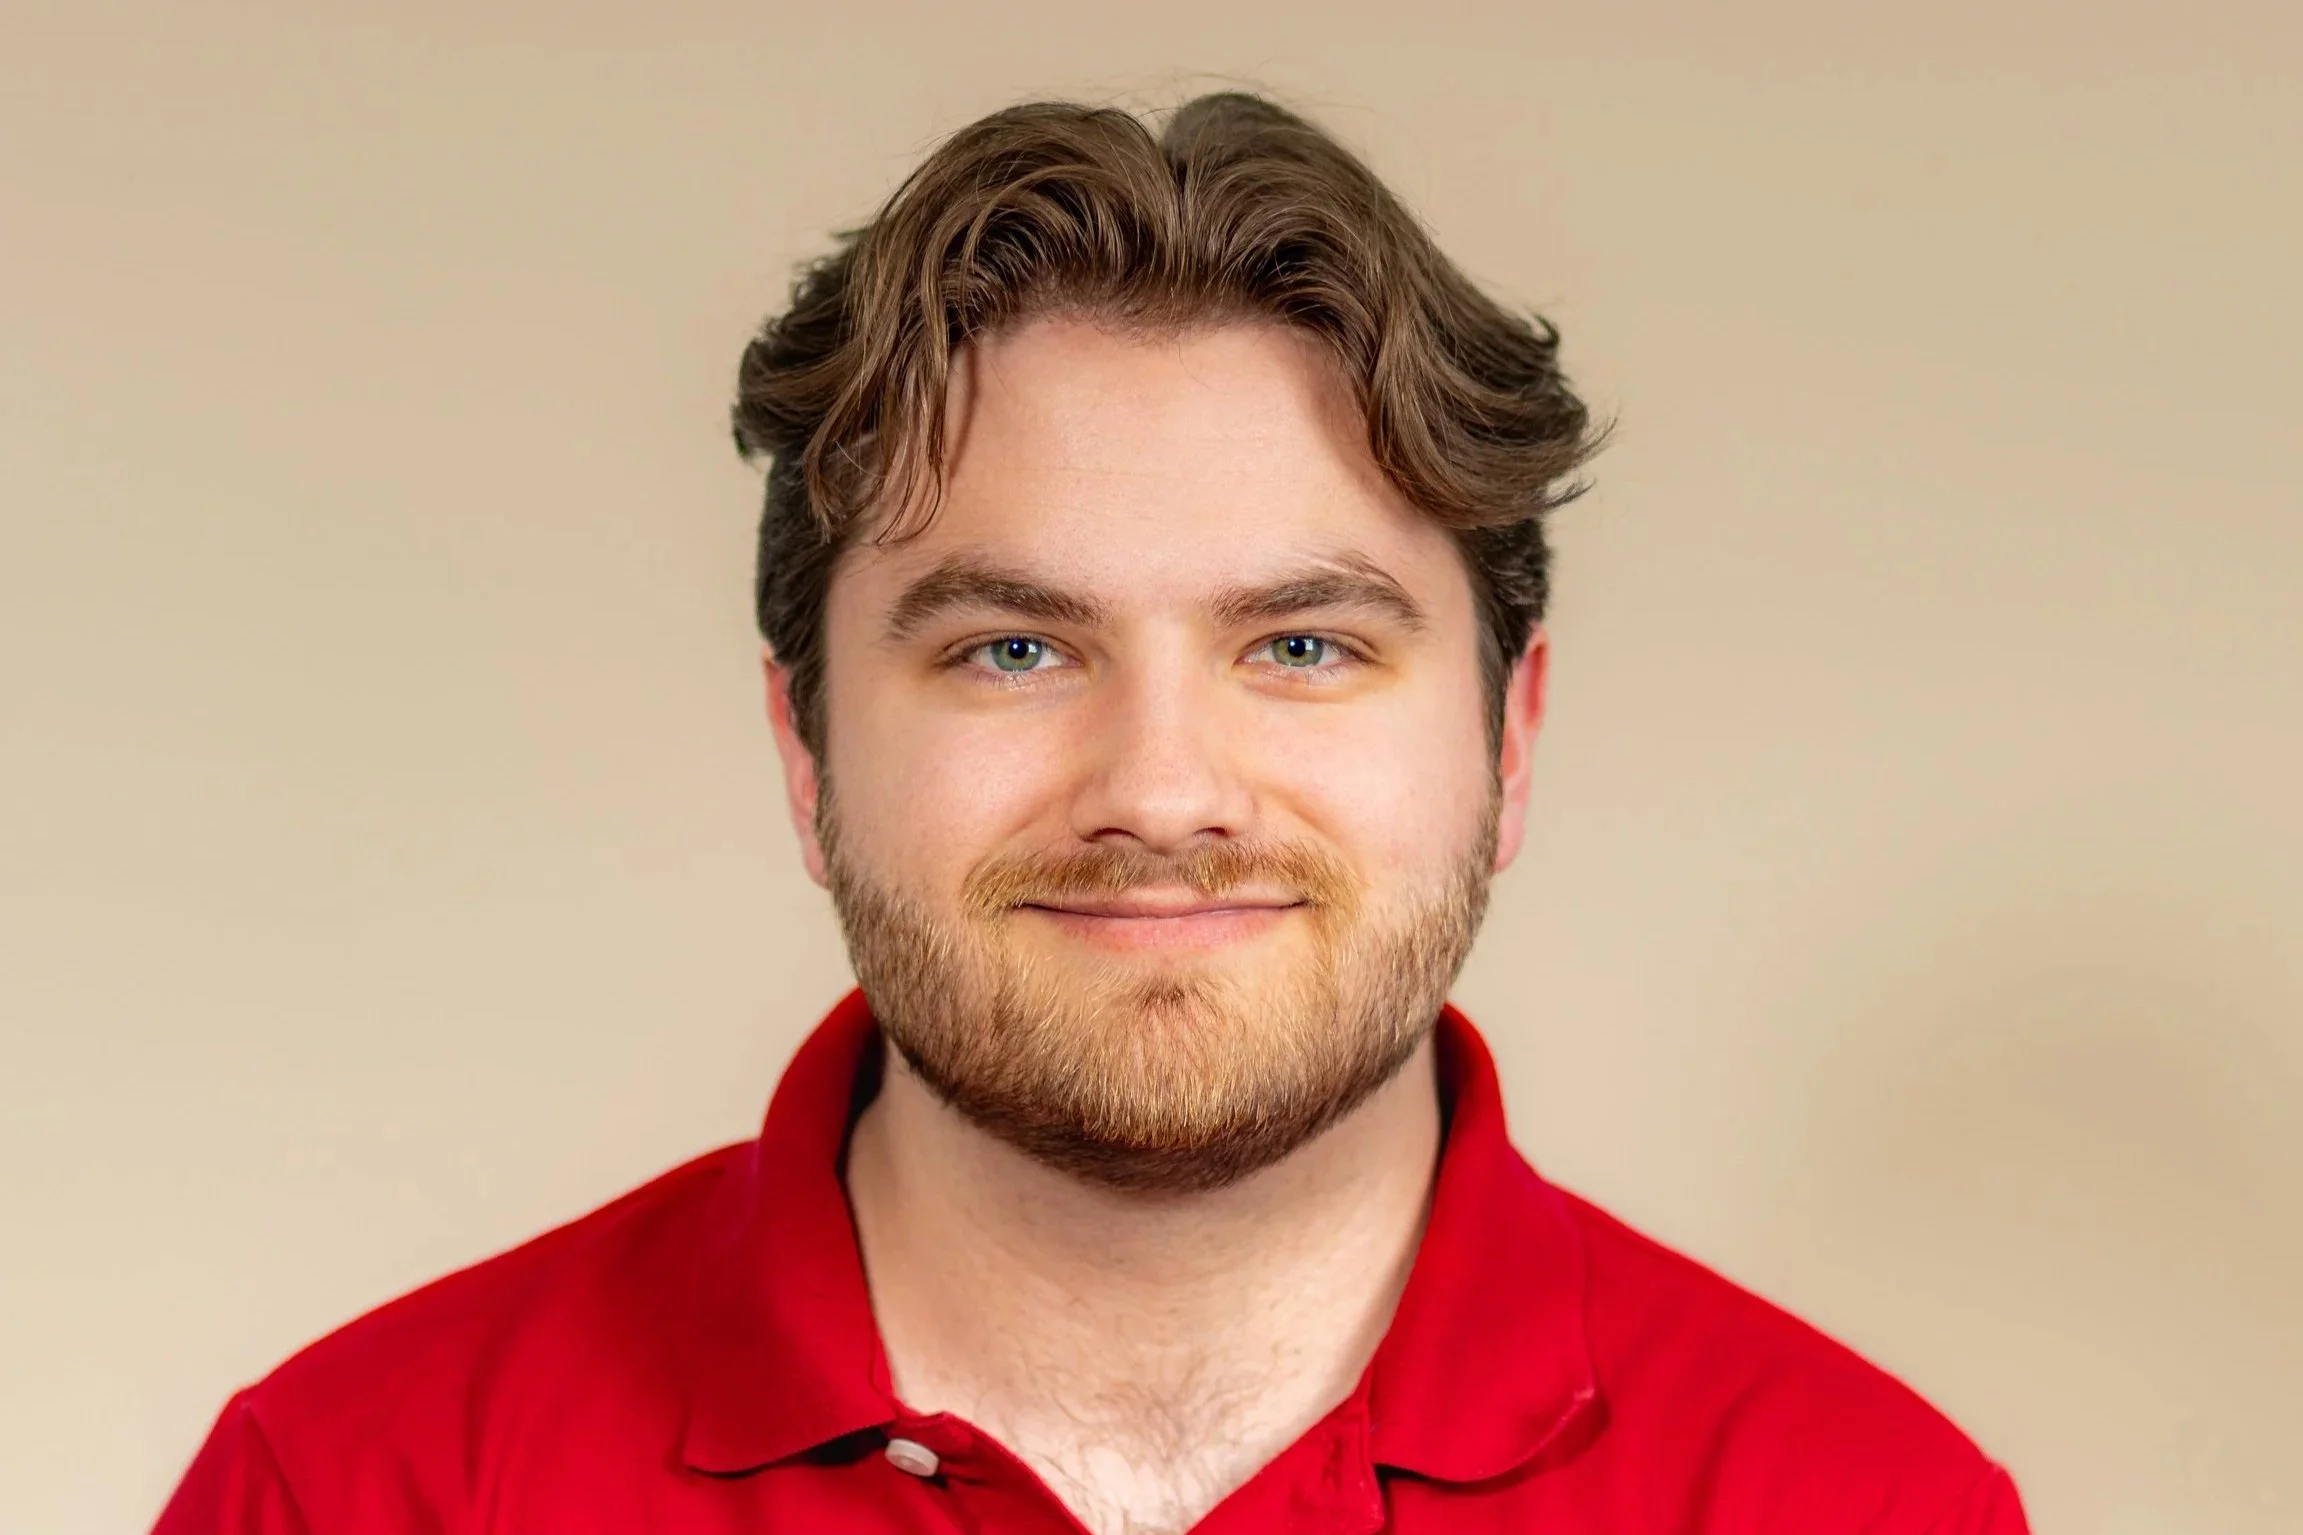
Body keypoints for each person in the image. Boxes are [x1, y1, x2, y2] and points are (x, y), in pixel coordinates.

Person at [154, 93, 2028, 1535]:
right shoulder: (365, 1486)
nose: (1157, 791)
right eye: (1009, 651)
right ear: (805, 751)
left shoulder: (1854, 1499)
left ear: (1508, 740)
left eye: (1298, 641)